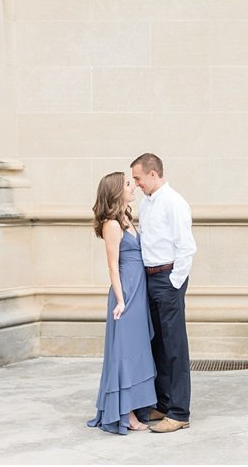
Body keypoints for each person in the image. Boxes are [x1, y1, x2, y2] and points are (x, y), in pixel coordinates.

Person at [86, 172, 157, 435]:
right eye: (128, 184)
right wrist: (120, 299)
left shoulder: (126, 217)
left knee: (138, 349)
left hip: (138, 291)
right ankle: (125, 414)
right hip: (125, 292)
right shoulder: (111, 225)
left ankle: (136, 407)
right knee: (124, 353)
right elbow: (112, 266)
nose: (133, 186)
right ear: (116, 191)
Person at [131, 153, 196, 433]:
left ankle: (180, 412)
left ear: (153, 174)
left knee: (174, 346)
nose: (135, 184)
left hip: (168, 279)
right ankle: (163, 402)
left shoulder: (174, 203)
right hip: (149, 279)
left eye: (138, 178)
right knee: (157, 343)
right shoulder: (146, 204)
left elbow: (187, 247)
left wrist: (173, 282)